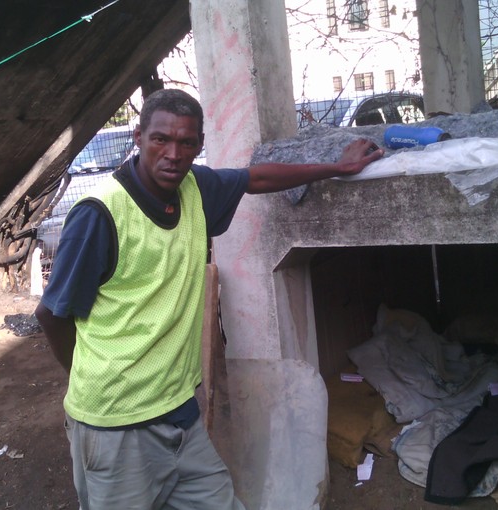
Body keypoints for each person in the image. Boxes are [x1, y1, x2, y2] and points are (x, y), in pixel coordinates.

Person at [35, 88, 383, 510]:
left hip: (180, 415)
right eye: (160, 139)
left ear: (199, 145)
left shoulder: (196, 187)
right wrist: (90, 384)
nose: (172, 154)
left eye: (186, 142)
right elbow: (53, 315)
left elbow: (256, 178)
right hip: (116, 428)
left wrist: (337, 167)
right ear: (138, 137)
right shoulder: (100, 214)